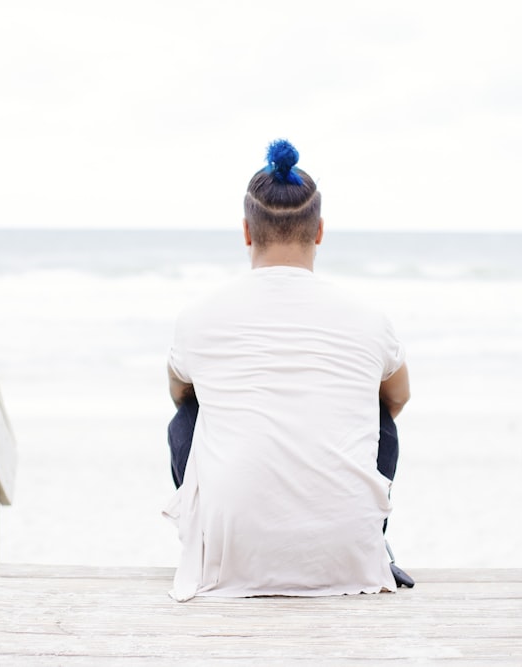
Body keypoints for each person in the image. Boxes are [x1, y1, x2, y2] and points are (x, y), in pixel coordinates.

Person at [163, 139, 411, 602]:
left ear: (245, 231)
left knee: (188, 417)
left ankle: (213, 542)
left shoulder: (198, 316)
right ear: (319, 232)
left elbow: (180, 394)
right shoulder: (369, 318)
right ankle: (366, 541)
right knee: (378, 415)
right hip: (345, 555)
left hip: (230, 553)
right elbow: (398, 398)